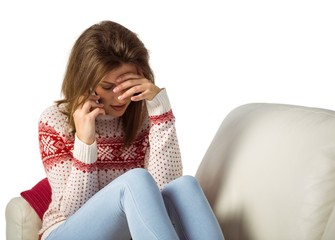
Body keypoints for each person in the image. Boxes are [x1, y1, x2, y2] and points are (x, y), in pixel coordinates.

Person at [38, 20, 224, 240]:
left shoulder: (144, 119)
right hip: (66, 231)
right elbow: (71, 212)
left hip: (126, 232)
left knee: (185, 186)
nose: (119, 97)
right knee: (135, 180)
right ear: (86, 81)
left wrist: (160, 111)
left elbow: (165, 191)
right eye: (107, 87)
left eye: (128, 85)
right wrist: (85, 142)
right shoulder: (54, 120)